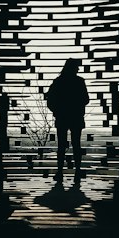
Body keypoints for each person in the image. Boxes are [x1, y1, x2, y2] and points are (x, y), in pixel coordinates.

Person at [46, 58, 88, 187]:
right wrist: (76, 106)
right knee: (76, 145)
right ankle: (77, 171)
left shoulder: (58, 82)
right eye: (77, 67)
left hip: (62, 117)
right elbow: (86, 99)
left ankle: (60, 172)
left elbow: (50, 99)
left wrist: (57, 111)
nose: (78, 69)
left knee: (61, 146)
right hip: (75, 117)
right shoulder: (80, 81)